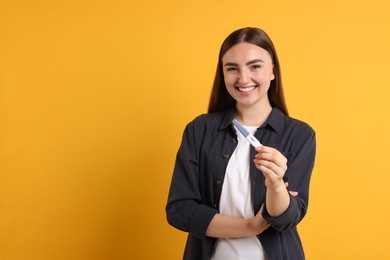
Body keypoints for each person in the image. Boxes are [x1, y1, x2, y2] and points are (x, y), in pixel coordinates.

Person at [166, 27, 316, 260]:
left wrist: (275, 184)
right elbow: (179, 210)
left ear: (273, 71)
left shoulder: (299, 135)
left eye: (255, 66)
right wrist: (250, 226)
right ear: (223, 74)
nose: (243, 78)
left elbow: (287, 217)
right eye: (232, 69)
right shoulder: (199, 130)